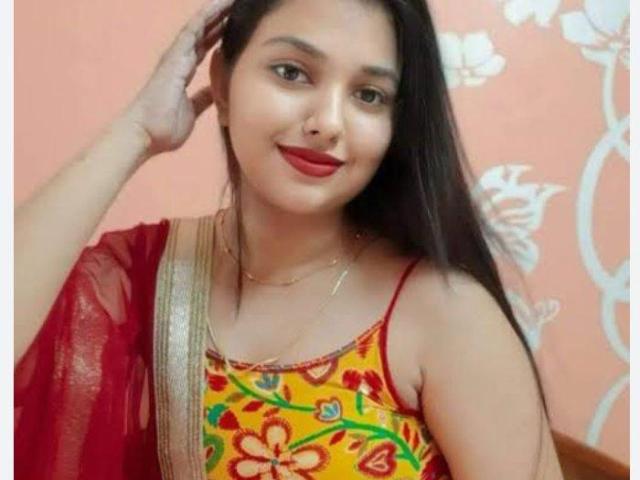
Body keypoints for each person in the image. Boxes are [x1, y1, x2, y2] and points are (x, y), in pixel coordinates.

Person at [14, 0, 566, 478]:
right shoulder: (147, 278)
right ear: (223, 82)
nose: (328, 122)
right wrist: (136, 132)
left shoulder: (444, 316)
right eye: (292, 72)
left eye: (369, 95)